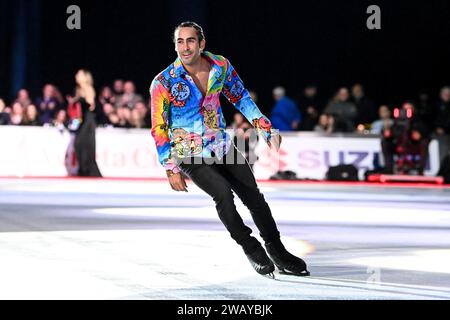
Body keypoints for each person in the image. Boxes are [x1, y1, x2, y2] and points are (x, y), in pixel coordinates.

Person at [150, 21, 309, 277]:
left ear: (201, 43)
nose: (185, 47)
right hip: (188, 151)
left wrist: (264, 127)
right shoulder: (163, 82)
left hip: (222, 144)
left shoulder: (220, 66)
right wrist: (170, 168)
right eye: (180, 41)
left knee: (254, 197)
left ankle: (277, 249)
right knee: (223, 194)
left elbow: (240, 97)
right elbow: (158, 127)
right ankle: (250, 247)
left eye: (191, 40)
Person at [67, 69, 102, 177]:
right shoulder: (78, 90)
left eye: (79, 74)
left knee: (86, 144)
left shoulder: (88, 88)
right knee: (78, 144)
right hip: (81, 120)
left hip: (88, 120)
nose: (76, 76)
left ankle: (89, 170)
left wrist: (78, 101)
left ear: (85, 77)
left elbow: (91, 105)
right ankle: (82, 169)